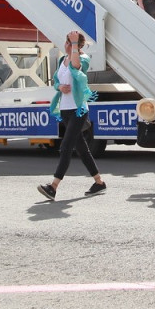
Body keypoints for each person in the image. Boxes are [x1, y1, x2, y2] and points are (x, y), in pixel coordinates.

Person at [37, 31, 106, 201]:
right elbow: (56, 80)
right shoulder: (62, 60)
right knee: (81, 148)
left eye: (70, 42)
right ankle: (99, 182)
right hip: (65, 110)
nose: (66, 45)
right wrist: (59, 87)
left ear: (77, 45)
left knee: (66, 146)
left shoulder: (82, 58)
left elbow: (76, 67)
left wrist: (75, 45)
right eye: (67, 42)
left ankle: (53, 187)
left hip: (78, 109)